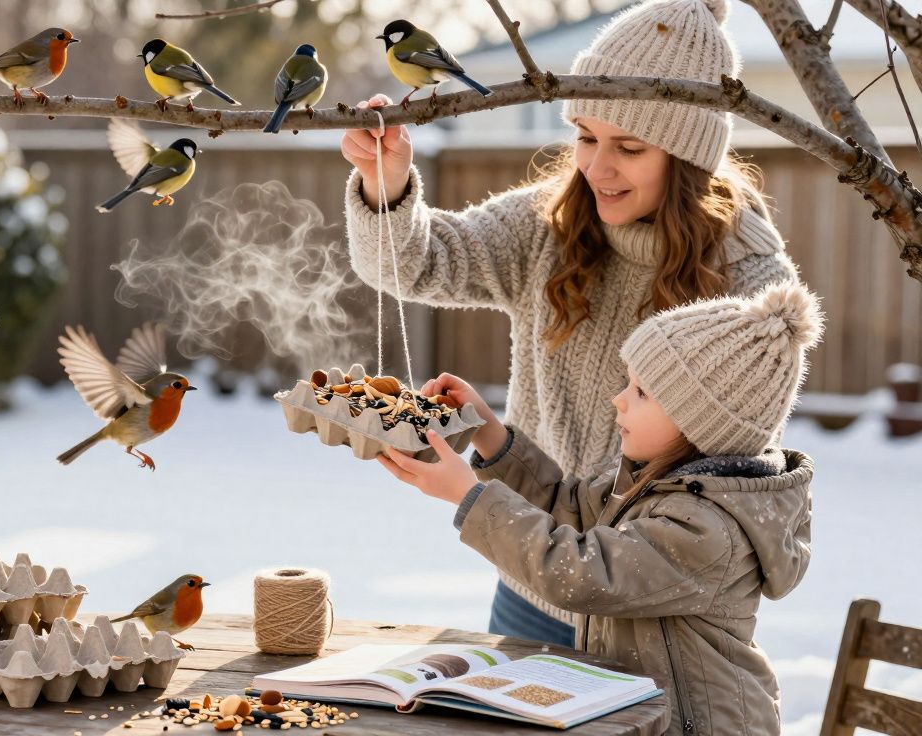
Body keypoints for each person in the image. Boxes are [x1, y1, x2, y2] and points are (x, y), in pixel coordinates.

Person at [340, 0, 797, 646]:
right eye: (585, 136)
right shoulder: (550, 224)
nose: (596, 168)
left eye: (629, 148)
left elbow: (722, 485)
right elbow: (417, 263)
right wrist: (384, 185)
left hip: (655, 618)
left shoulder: (748, 279)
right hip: (529, 581)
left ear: (688, 156)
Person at [377, 281, 821, 735]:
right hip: (642, 718)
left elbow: (583, 572)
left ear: (697, 426)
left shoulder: (707, 530)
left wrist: (470, 498)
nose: (619, 398)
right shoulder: (649, 481)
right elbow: (564, 508)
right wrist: (488, 434)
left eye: (642, 392)